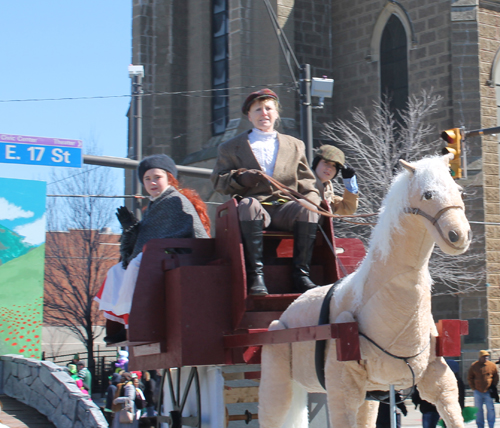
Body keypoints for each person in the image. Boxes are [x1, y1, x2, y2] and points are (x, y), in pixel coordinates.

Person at [211, 88, 322, 295]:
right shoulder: (230, 147)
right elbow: (218, 181)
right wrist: (241, 179)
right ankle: (256, 276)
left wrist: (313, 204)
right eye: (258, 109)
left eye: (269, 108)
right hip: (255, 208)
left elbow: (308, 183)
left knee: (307, 209)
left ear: (276, 113)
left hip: (285, 208)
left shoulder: (295, 145)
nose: (264, 113)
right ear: (249, 116)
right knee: (248, 205)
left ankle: (301, 275)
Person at [95, 154, 210, 343]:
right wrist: (131, 232)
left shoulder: (175, 201)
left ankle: (135, 324)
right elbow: (141, 243)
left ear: (169, 178)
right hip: (159, 257)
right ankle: (121, 324)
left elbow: (184, 236)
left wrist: (146, 250)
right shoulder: (155, 206)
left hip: (180, 258)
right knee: (117, 270)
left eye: (157, 177)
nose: (152, 182)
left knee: (137, 264)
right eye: (147, 179)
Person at [312, 145, 358, 215]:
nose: (329, 168)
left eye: (334, 166)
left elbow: (348, 208)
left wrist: (349, 181)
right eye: (326, 162)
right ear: (316, 163)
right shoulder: (301, 182)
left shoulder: (328, 194)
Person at [468, 350, 499, 428]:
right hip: (478, 391)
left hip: (488, 391)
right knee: (478, 410)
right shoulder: (474, 366)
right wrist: (473, 388)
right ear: (480, 357)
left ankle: (491, 425)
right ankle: (480, 425)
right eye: (484, 356)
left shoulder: (492, 365)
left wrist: (493, 386)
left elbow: (496, 377)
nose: (486, 358)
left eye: (487, 356)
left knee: (490, 409)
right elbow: (470, 377)